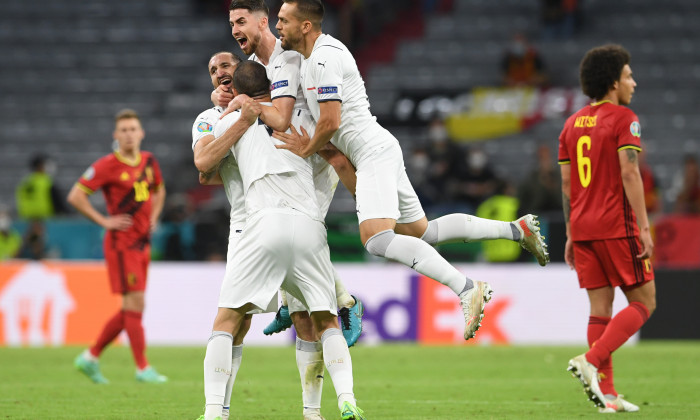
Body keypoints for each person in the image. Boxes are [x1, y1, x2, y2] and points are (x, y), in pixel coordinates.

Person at [273, 0, 549, 341]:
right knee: (422, 233)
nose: (277, 26)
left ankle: (466, 287)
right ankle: (515, 230)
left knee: (376, 240)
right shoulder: (306, 60)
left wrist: (306, 147)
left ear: (305, 26)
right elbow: (337, 149)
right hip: (375, 151)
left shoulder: (326, 56)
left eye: (283, 20)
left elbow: (331, 121)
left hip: (373, 152)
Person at [195, 60, 364, 420]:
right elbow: (336, 152)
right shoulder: (299, 116)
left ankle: (213, 413)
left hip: (261, 224)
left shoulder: (227, 122)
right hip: (308, 223)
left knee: (228, 320)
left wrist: (233, 111)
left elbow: (205, 168)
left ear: (238, 90)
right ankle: (345, 399)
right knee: (325, 320)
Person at [214, 0, 364, 349]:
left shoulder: (293, 54)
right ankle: (289, 294)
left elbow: (283, 114)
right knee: (282, 230)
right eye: (231, 24)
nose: (235, 30)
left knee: (303, 236)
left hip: (311, 157)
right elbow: (239, 96)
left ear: (262, 21)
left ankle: (346, 303)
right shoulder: (251, 66)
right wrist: (224, 96)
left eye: (241, 21)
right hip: (282, 160)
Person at [559, 45, 655, 413]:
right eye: (629, 75)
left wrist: (570, 232)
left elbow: (568, 185)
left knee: (601, 310)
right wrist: (644, 228)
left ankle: (608, 394)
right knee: (645, 301)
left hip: (582, 229)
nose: (634, 82)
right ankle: (592, 360)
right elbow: (629, 171)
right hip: (617, 226)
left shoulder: (570, 124)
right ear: (614, 82)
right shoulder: (624, 118)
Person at [68, 109, 168, 384]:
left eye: (133, 129)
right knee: (135, 304)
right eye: (123, 130)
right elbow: (76, 195)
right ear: (116, 135)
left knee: (132, 308)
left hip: (142, 243)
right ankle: (142, 368)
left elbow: (159, 189)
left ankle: (90, 358)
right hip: (121, 245)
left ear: (141, 133)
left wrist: (154, 218)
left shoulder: (148, 161)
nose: (128, 134)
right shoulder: (106, 165)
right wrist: (104, 220)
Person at [16, 154, 67, 220]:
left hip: (26, 222)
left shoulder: (23, 183)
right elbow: (59, 204)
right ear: (40, 166)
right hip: (45, 221)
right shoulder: (47, 182)